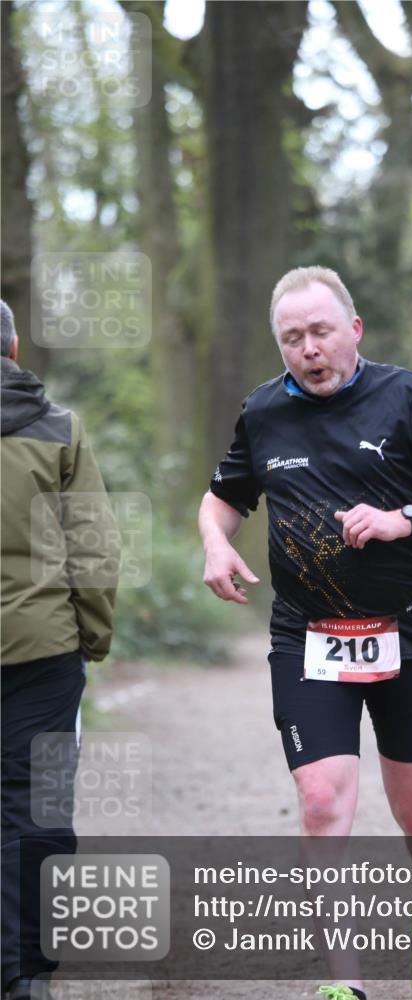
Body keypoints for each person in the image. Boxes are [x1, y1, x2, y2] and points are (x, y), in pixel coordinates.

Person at [198, 267, 412, 1000]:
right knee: (321, 800)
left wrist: (404, 518)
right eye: (291, 338)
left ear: (353, 330)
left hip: (408, 630)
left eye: (319, 332)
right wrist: (215, 542)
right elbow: (222, 500)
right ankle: (343, 985)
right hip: (306, 636)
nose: (307, 349)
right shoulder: (262, 412)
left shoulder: (407, 396)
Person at [1, 301, 119, 1000]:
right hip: (42, 652)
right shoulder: (59, 429)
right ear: (14, 347)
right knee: (36, 806)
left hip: (42, 649)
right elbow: (95, 549)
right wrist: (92, 637)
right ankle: (26, 972)